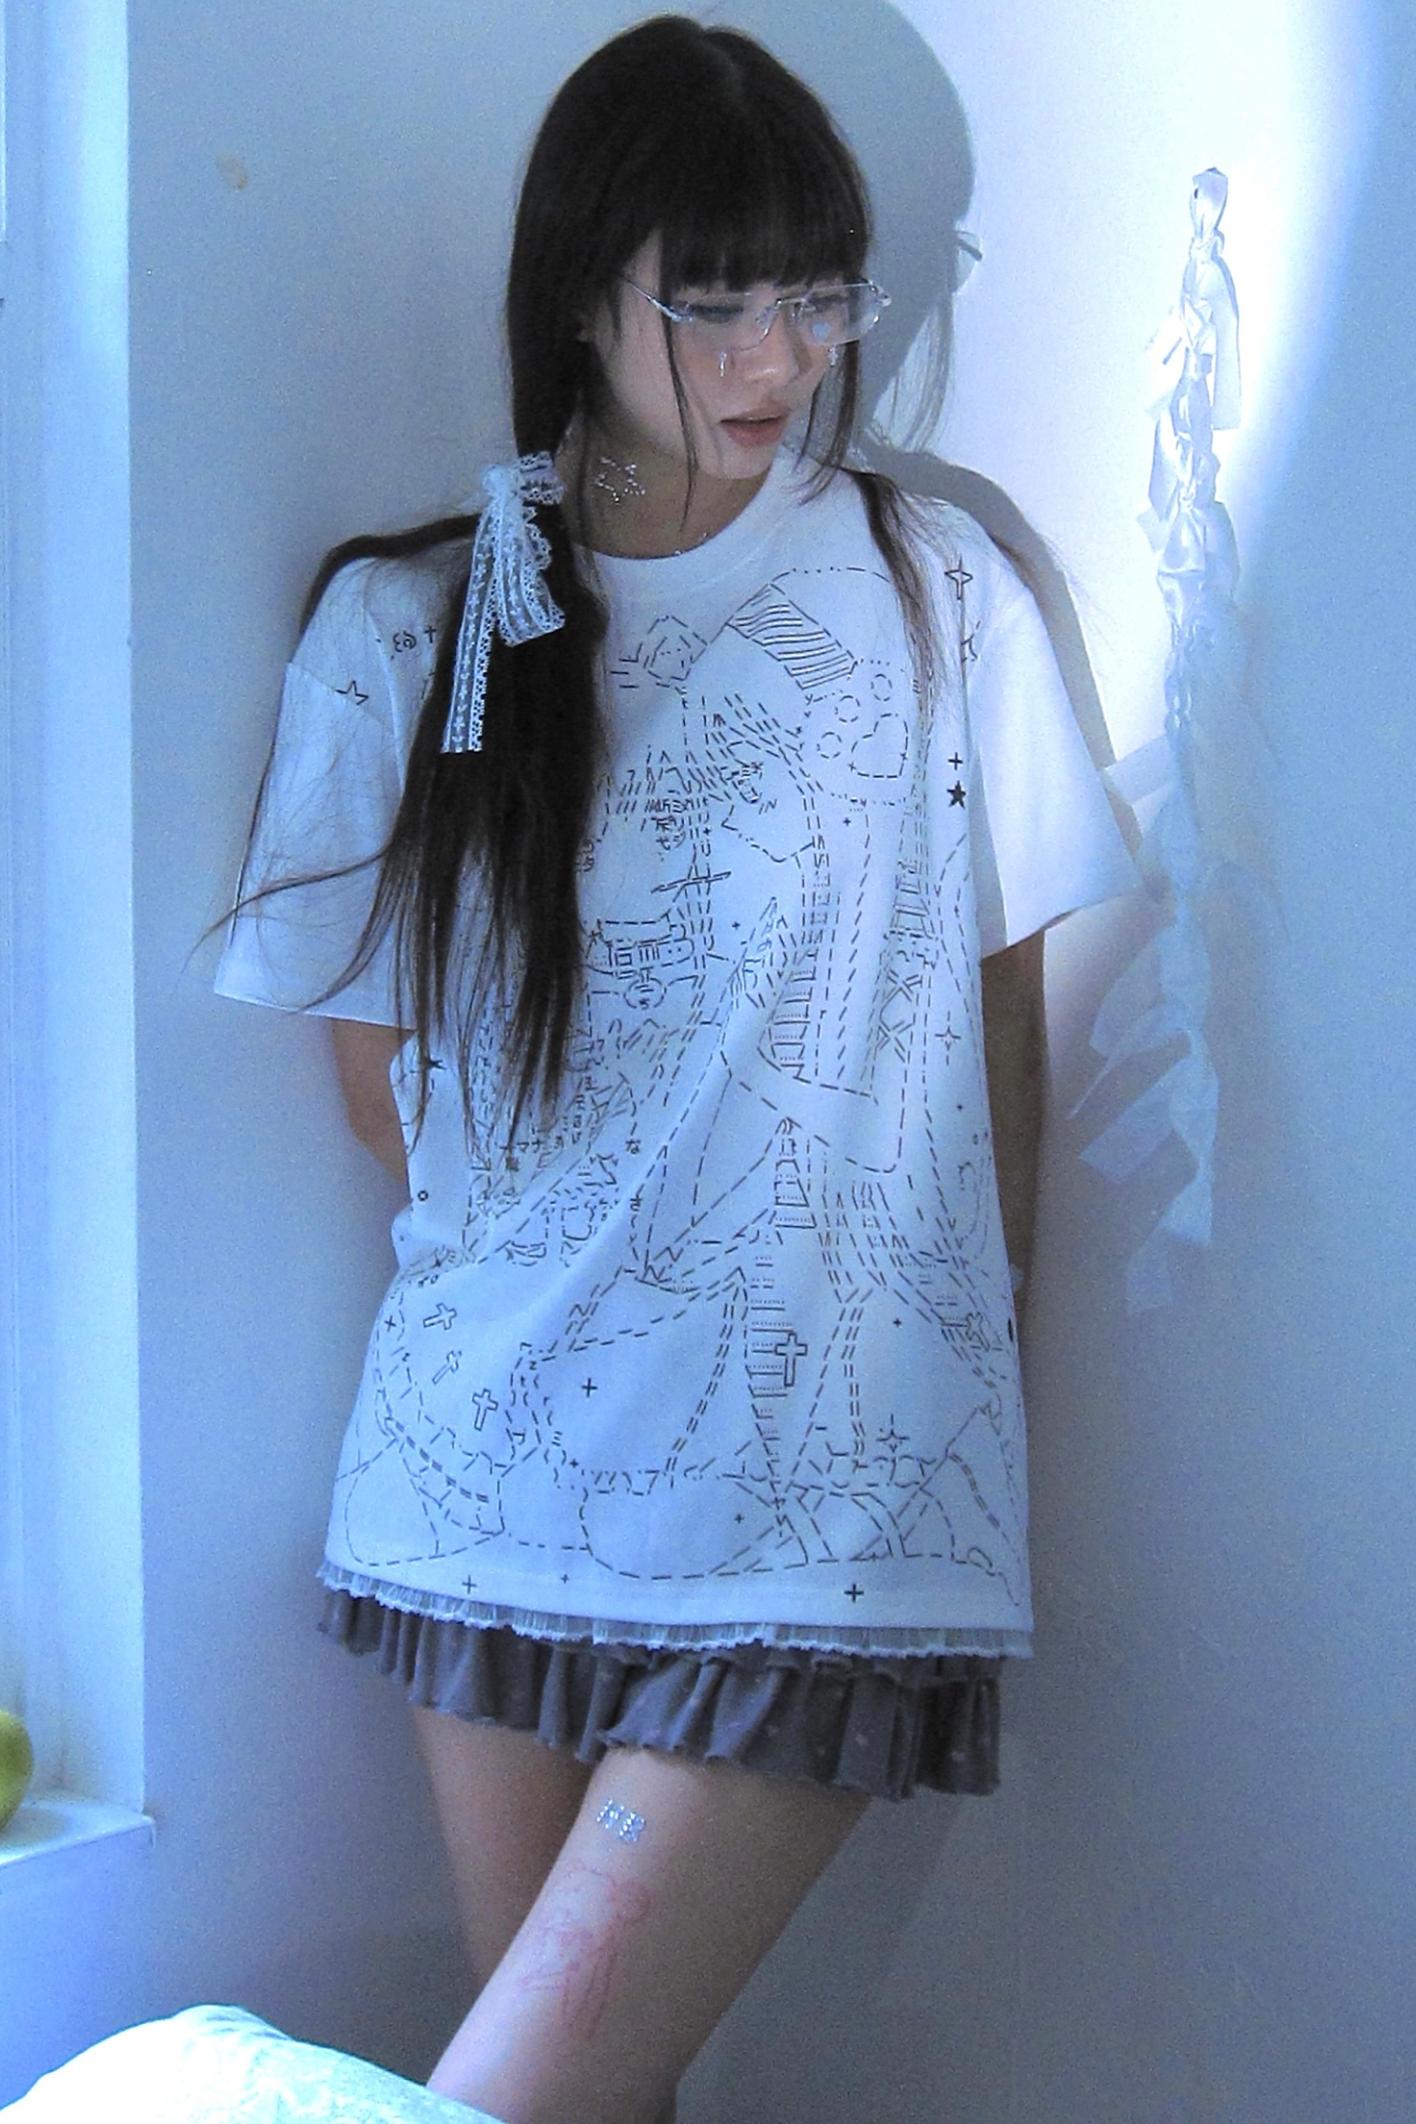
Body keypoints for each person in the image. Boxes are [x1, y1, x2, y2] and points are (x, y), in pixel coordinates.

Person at [213, 16, 1139, 2122]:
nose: (777, 357)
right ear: (579, 295)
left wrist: (955, 1348)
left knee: (512, 2094)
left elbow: (1000, 1028)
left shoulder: (929, 593)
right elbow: (382, 1094)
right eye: (712, 302)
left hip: (831, 1489)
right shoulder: (426, 628)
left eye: (817, 295)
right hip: (483, 1469)